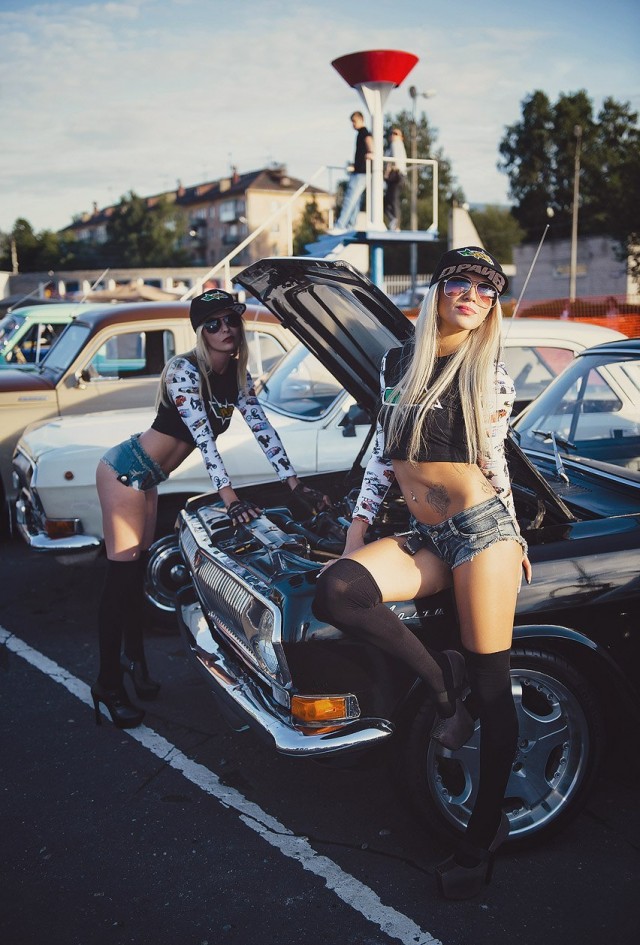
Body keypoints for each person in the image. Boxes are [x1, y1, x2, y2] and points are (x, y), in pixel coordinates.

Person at [312, 247, 532, 900]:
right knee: (339, 591)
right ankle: (441, 684)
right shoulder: (396, 363)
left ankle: (480, 840)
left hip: (480, 531)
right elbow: (385, 455)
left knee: (493, 688)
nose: (473, 295)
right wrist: (357, 527)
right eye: (460, 281)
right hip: (428, 533)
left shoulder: (490, 375)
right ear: (437, 289)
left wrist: (515, 535)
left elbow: (494, 461)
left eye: (487, 289)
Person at [92, 289, 329, 730]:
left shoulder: (236, 375)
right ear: (200, 332)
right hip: (124, 471)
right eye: (213, 324)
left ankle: (134, 664)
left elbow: (262, 429)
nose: (226, 329)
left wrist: (295, 485)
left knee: (134, 574)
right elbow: (204, 441)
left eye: (231, 320)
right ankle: (107, 684)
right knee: (121, 580)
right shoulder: (184, 371)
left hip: (148, 479)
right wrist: (230, 499)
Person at [331, 111, 373, 233]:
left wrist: (372, 152)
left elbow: (369, 141)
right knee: (356, 200)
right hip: (360, 171)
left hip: (361, 173)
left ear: (361, 120)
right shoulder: (361, 133)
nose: (353, 124)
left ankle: (340, 225)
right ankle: (350, 225)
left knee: (350, 199)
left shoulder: (364, 132)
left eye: (354, 121)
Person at [383, 127, 407, 231]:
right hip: (393, 177)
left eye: (396, 134)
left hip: (397, 175)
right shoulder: (391, 147)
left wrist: (390, 169)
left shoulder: (396, 144)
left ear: (401, 137)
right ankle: (393, 221)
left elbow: (396, 162)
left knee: (393, 200)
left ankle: (396, 224)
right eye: (391, 133)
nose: (393, 135)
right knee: (387, 201)